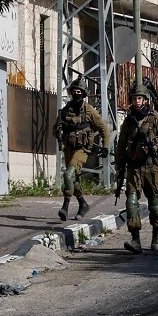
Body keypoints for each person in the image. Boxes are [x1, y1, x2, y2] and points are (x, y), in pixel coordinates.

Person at [115, 84, 158, 253]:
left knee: (154, 203)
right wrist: (119, 166)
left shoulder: (156, 118)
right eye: (134, 98)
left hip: (151, 167)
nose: (136, 101)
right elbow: (121, 145)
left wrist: (155, 149)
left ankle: (156, 236)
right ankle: (135, 240)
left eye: (139, 98)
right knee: (131, 202)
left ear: (145, 100)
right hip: (134, 167)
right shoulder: (129, 120)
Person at [54, 78, 110, 221]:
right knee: (75, 178)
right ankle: (82, 203)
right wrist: (60, 130)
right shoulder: (66, 110)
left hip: (82, 149)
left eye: (79, 92)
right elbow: (55, 129)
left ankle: (65, 206)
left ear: (84, 94)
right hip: (69, 148)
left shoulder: (89, 110)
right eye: (74, 91)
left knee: (68, 175)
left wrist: (105, 147)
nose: (76, 94)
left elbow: (104, 129)